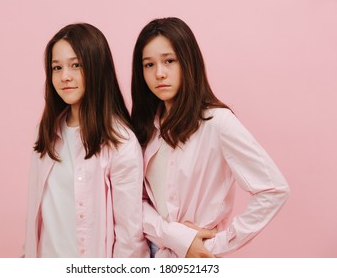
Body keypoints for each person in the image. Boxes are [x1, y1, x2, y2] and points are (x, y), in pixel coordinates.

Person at [131, 17, 290, 258]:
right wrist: (174, 236)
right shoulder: (146, 128)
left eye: (169, 61)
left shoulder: (217, 122)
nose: (159, 73)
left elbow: (274, 189)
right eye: (149, 65)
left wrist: (217, 244)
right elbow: (135, 201)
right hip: (150, 252)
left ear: (188, 62)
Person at [23, 23, 149, 258]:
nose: (64, 76)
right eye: (56, 67)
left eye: (75, 65)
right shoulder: (45, 132)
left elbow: (129, 236)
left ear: (96, 68)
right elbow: (36, 215)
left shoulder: (121, 142)